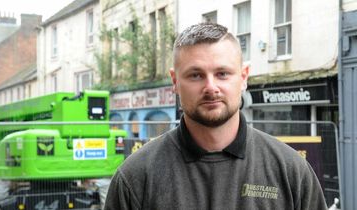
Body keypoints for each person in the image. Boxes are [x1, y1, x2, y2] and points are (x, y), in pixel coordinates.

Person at [104, 22, 327, 210]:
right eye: (195, 75)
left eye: (222, 74)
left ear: (243, 77)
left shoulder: (292, 172)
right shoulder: (135, 178)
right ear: (175, 81)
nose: (211, 87)